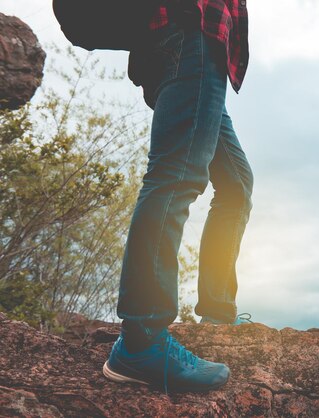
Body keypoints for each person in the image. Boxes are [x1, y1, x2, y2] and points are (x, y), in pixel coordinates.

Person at [102, 0, 253, 393]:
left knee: (236, 184)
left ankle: (218, 312)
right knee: (175, 177)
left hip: (198, 43)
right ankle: (142, 340)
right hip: (191, 35)